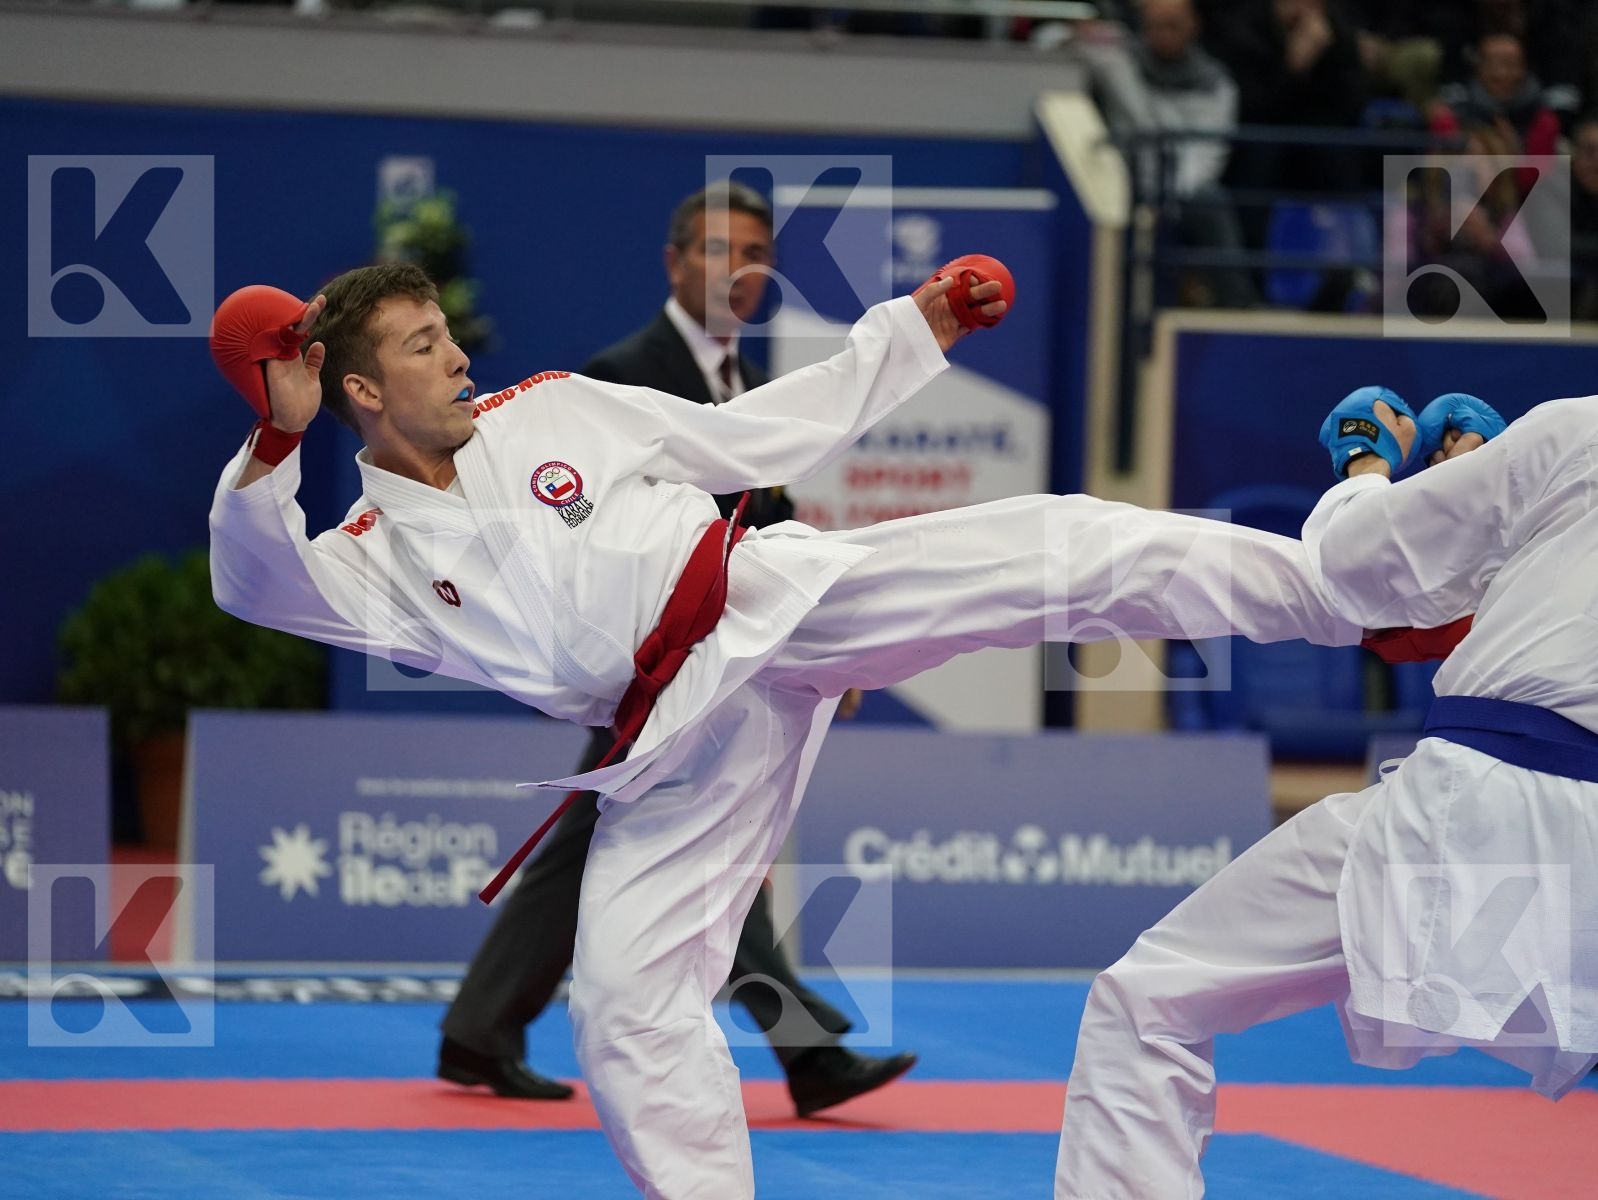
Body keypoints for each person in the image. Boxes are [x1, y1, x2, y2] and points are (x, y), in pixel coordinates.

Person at [209, 250, 1365, 1196]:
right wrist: (274, 439)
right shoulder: (369, 559)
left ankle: (1341, 586)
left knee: (1053, 547)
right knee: (624, 1009)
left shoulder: (554, 408)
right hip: (669, 742)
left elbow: (750, 438)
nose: (460, 357)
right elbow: (253, 585)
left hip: (769, 598)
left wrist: (909, 331)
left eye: (449, 335)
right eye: (423, 347)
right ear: (359, 391)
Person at [437, 183, 919, 1116]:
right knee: (694, 836)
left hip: (724, 647)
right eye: (717, 250)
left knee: (603, 839)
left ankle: (479, 1027)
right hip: (651, 648)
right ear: (675, 263)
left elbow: (762, 509)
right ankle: (806, 1047)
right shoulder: (627, 371)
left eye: (755, 252)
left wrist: (821, 625)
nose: (739, 270)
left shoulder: (743, 380)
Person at [1055, 388, 1598, 1199]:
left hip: (1478, 804)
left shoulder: (1575, 429)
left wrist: (1367, 458)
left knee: (1152, 1000)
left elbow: (1356, 561)